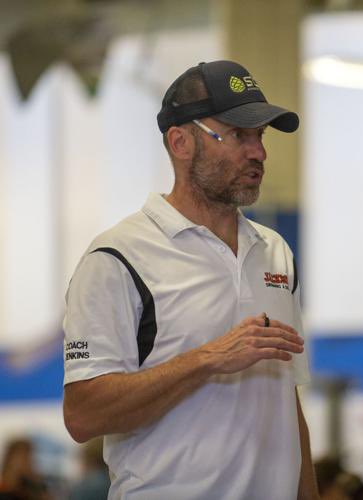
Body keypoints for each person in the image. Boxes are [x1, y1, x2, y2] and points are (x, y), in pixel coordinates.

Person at [62, 60, 318, 500]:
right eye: (239, 134)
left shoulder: (275, 251)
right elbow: (83, 415)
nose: (258, 152)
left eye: (261, 136)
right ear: (180, 141)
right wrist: (207, 359)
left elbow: (285, 401)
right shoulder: (119, 258)